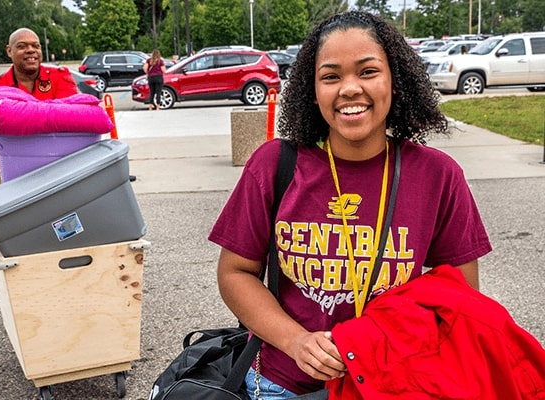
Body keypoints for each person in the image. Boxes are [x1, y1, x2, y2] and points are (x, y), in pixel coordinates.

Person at [208, 11, 492, 399]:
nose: (349, 89)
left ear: (396, 80)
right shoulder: (274, 164)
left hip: (392, 385)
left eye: (368, 71)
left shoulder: (438, 176)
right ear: (313, 90)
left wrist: (385, 347)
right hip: (282, 385)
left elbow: (461, 302)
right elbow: (235, 273)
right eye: (331, 76)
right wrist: (297, 341)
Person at [0, 27, 78, 178]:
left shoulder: (60, 78)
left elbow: (74, 122)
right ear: (9, 51)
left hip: (62, 167)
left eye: (36, 46)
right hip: (22, 173)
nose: (30, 50)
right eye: (22, 46)